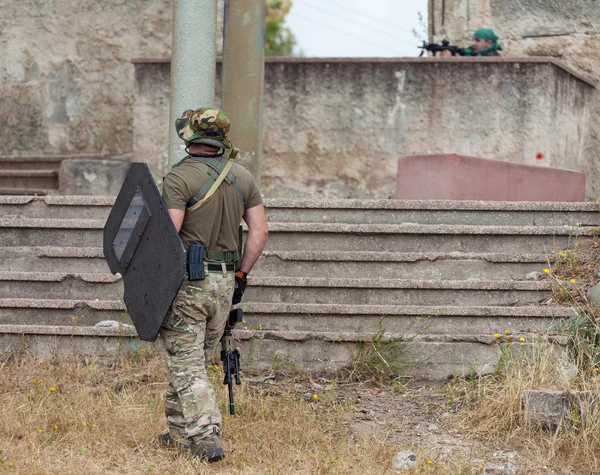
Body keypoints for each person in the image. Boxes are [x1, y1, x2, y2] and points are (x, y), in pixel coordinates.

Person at [157, 106, 268, 462]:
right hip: (224, 282)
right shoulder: (242, 177)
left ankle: (206, 435)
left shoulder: (178, 179)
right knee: (192, 360)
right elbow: (259, 232)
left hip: (189, 282)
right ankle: (176, 433)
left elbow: (166, 235)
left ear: (189, 137)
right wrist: (240, 274)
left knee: (187, 363)